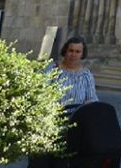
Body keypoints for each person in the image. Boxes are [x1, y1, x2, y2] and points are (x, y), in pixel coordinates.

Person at [27, 36, 98, 168]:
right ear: (65, 51)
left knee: (62, 163)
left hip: (74, 127)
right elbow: (40, 92)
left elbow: (92, 98)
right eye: (71, 50)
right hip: (49, 123)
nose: (73, 55)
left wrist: (85, 107)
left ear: (82, 54)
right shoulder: (53, 69)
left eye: (78, 52)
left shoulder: (86, 74)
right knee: (40, 162)